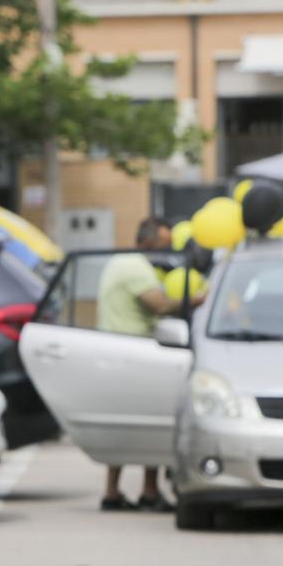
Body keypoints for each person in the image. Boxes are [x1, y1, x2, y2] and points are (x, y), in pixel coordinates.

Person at [94, 217, 183, 511]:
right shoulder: (136, 267)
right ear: (148, 241)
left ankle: (113, 492)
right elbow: (159, 304)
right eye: (164, 244)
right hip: (135, 354)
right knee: (150, 417)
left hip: (118, 354)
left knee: (122, 424)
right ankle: (149, 491)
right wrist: (194, 298)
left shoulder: (121, 261)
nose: (167, 249)